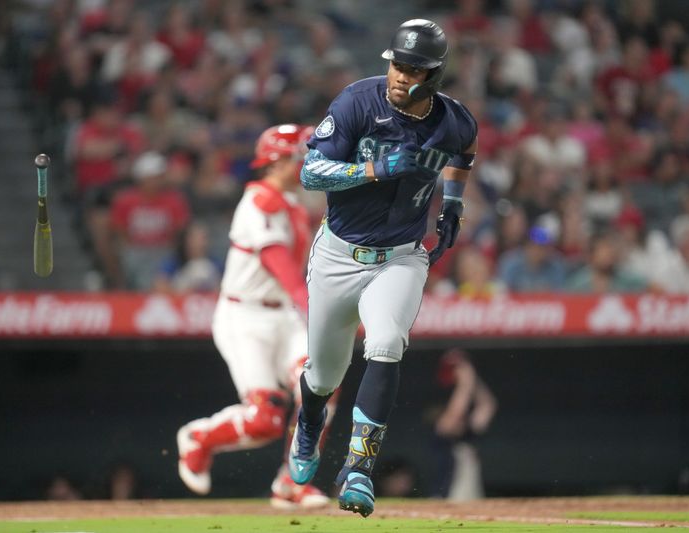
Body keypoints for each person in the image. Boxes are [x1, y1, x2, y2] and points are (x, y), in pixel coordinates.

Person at [287, 20, 478, 518]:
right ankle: (309, 424)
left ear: (434, 75)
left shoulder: (454, 120)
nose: (400, 74)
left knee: (387, 342)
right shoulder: (357, 101)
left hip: (400, 255)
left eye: (413, 68)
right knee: (325, 375)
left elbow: (465, 153)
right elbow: (310, 172)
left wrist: (452, 205)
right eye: (397, 63)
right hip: (337, 253)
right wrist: (374, 168)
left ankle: (358, 468)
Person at [176, 124, 337, 509]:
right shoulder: (258, 202)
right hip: (245, 318)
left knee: (320, 387)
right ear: (278, 161)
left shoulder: (294, 202)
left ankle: (292, 482)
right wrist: (317, 311)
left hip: (284, 315)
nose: (306, 161)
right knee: (264, 420)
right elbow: (280, 266)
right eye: (300, 155)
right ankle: (200, 438)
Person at [110, 151, 191, 289]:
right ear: (142, 178)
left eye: (159, 177)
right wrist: (133, 247)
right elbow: (119, 230)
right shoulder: (126, 200)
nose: (157, 182)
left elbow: (180, 230)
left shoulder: (174, 200)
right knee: (130, 259)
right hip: (136, 249)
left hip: (164, 249)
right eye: (153, 178)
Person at [430, 349, 496, 501]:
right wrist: (466, 383)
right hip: (445, 492)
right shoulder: (440, 425)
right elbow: (454, 416)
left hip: (468, 487)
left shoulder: (467, 430)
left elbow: (488, 405)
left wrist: (472, 379)